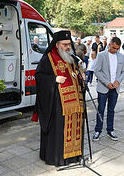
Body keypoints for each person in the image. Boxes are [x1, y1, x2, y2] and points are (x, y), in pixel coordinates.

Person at [35, 30, 85, 166]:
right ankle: (59, 157)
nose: (68, 47)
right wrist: (54, 79)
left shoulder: (72, 58)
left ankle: (73, 156)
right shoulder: (48, 59)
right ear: (57, 45)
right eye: (64, 45)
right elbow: (39, 77)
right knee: (60, 131)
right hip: (57, 104)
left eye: (69, 44)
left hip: (75, 102)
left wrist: (82, 77)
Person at [92, 37, 124, 141]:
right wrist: (107, 83)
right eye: (114, 48)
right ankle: (98, 130)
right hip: (103, 87)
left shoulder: (121, 56)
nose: (116, 50)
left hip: (115, 88)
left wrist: (118, 81)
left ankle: (110, 130)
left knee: (111, 110)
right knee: (101, 109)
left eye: (118, 49)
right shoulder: (102, 55)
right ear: (110, 44)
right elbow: (97, 71)